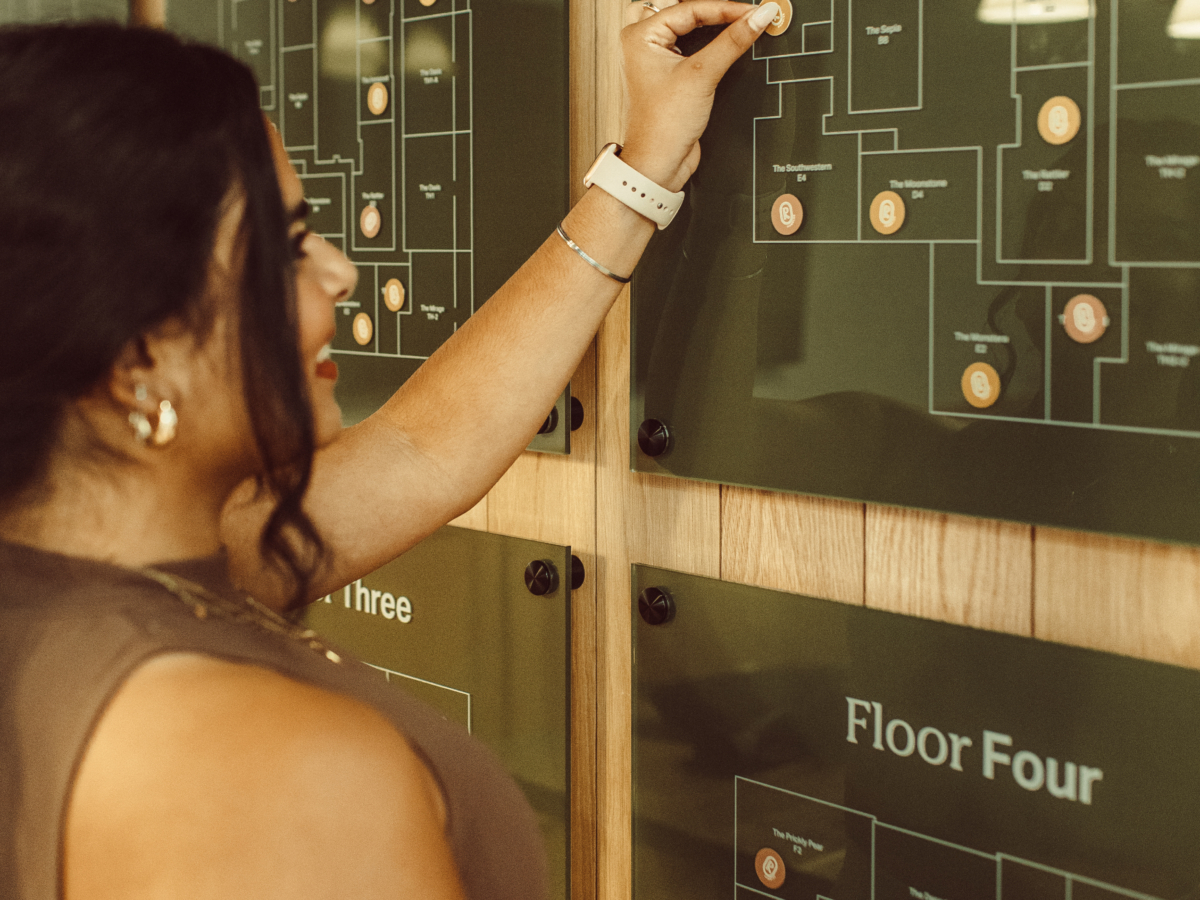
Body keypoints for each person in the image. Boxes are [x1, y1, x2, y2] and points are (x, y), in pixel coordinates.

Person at [0, 3, 777, 897]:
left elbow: (419, 448)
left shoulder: (79, 575)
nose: (339, 273)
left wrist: (642, 172)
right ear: (140, 358)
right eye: (289, 248)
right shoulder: (264, 773)